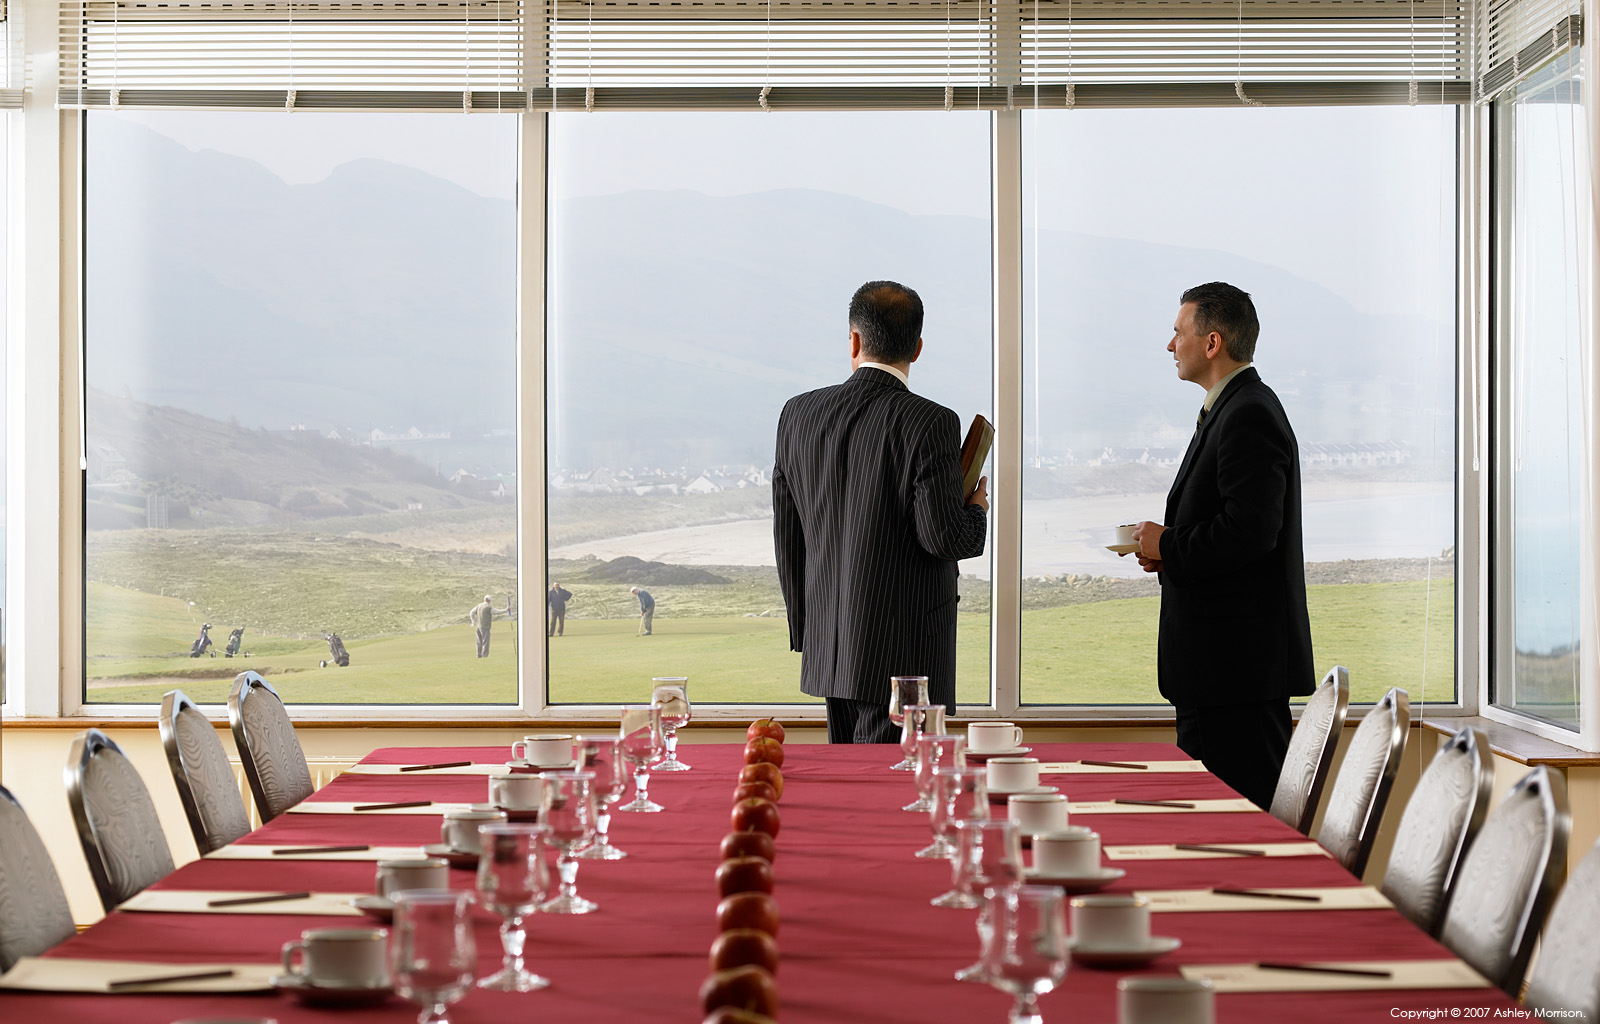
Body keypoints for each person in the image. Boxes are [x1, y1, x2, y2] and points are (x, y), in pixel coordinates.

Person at [772, 280, 989, 744]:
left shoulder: (797, 414)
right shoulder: (931, 421)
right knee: (898, 792)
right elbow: (945, 538)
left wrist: (808, 630)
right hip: (905, 659)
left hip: (829, 647)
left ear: (853, 340)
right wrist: (976, 510)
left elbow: (788, 535)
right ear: (918, 346)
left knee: (849, 792)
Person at [1128, 282, 1315, 810]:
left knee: (1239, 830)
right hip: (1221, 675)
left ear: (1212, 343)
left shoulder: (1248, 412)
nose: (1170, 345)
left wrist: (1170, 544)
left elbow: (1251, 532)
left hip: (1233, 676)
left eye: (1177, 332)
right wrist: (1166, 550)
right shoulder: (1231, 406)